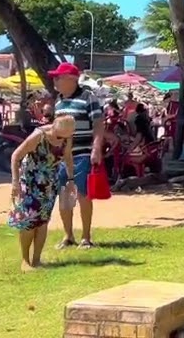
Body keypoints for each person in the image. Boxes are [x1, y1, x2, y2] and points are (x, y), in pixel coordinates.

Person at [7, 114, 74, 271]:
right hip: (30, 182)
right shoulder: (39, 136)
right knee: (29, 221)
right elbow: (16, 156)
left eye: (63, 137)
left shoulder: (66, 138)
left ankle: (37, 260)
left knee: (43, 221)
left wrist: (71, 179)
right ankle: (25, 260)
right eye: (58, 136)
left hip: (49, 184)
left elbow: (68, 157)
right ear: (53, 129)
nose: (60, 140)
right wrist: (15, 182)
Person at [50, 62, 105, 250]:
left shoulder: (88, 98)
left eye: (58, 77)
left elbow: (98, 124)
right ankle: (68, 235)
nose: (55, 81)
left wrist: (96, 148)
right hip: (63, 158)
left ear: (71, 80)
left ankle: (86, 237)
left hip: (82, 154)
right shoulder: (58, 102)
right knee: (65, 196)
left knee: (83, 195)